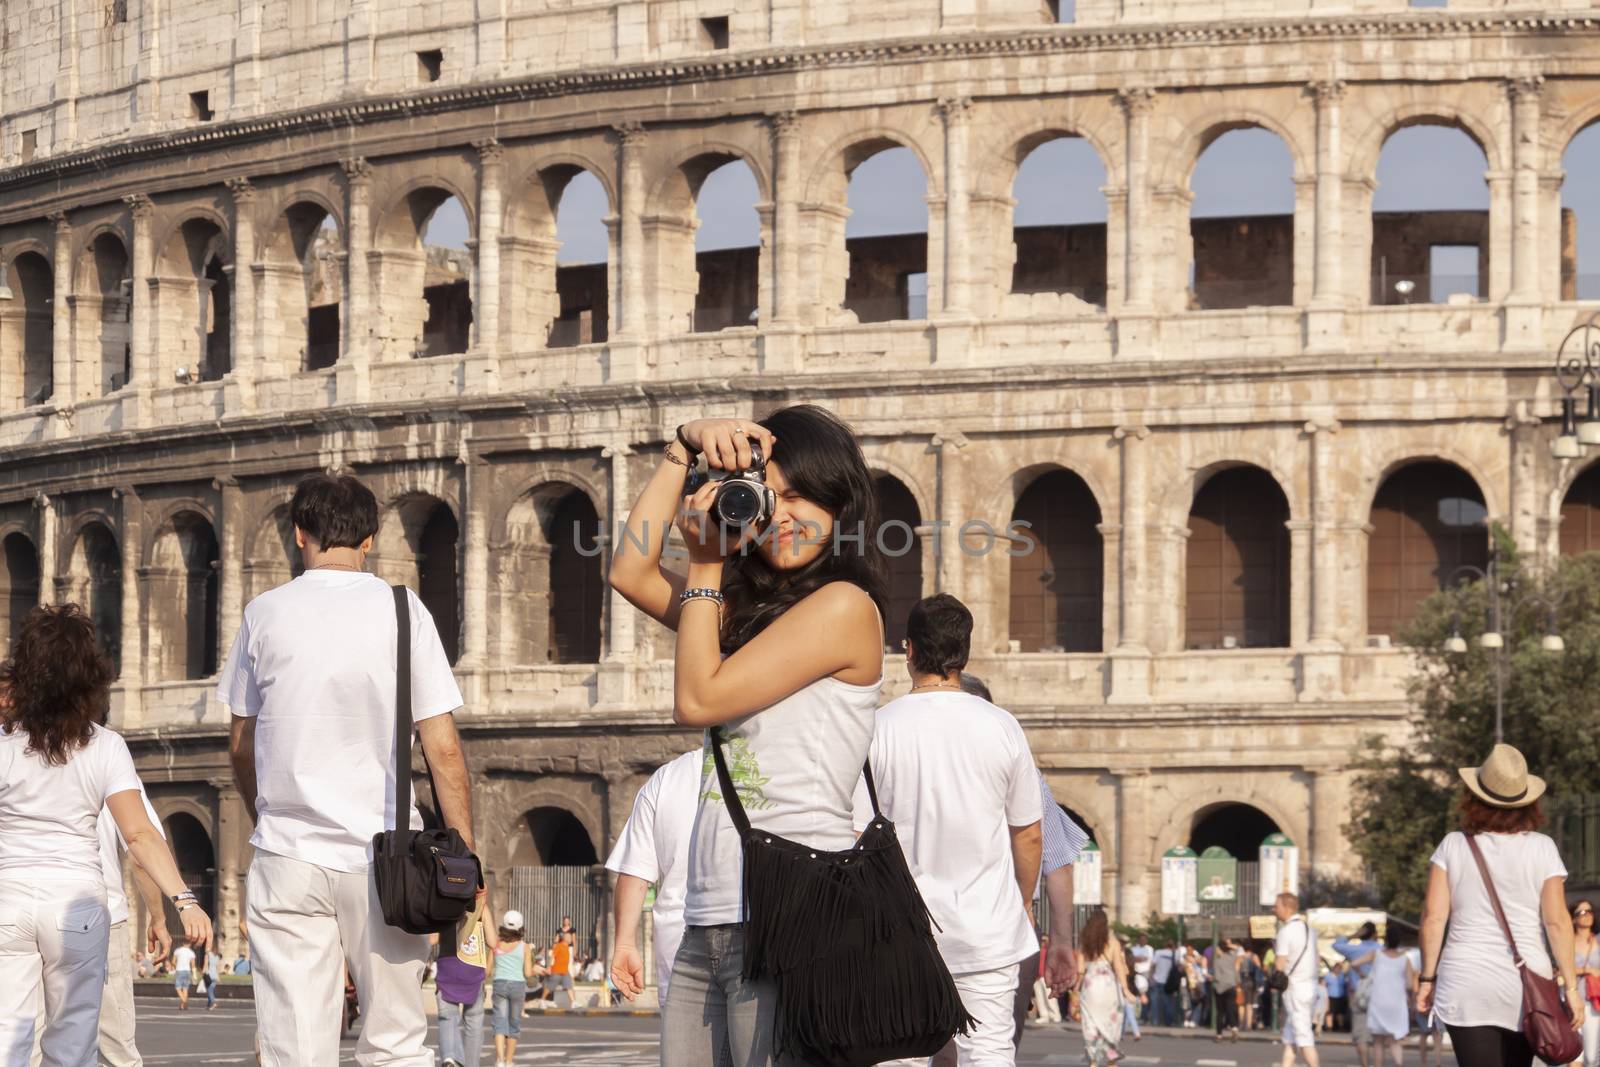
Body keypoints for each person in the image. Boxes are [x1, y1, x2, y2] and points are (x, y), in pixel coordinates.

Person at [607, 406, 888, 1067]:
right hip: (711, 914)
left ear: (840, 501)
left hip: (793, 912)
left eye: (801, 496)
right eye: (768, 495)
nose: (783, 515)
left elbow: (698, 698)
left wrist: (706, 564)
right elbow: (629, 569)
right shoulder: (744, 612)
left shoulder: (846, 608)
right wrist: (682, 451)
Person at [219, 473, 479, 1067]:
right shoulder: (402, 609)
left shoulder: (263, 614)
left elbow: (240, 744)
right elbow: (442, 751)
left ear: (298, 533)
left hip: (287, 853)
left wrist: (267, 813)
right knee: (395, 1043)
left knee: (294, 1046)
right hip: (385, 860)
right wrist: (462, 850)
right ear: (369, 540)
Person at [0, 604, 213, 1065]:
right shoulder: (104, 746)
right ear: (89, 676)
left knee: (10, 1040)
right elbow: (138, 836)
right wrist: (184, 899)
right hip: (76, 904)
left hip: (9, 899)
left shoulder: (5, 744)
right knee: (73, 1043)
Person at [848, 595, 1044, 1067]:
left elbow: (853, 837)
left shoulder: (875, 729)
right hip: (986, 928)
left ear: (907, 649)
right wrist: (1020, 903)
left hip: (899, 931)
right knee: (990, 1054)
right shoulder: (1003, 727)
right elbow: (1029, 834)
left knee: (900, 1054)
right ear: (965, 654)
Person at [1416, 744, 1581, 1067]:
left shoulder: (1453, 845)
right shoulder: (1542, 848)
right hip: (1526, 985)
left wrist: (1426, 979)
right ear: (1528, 802)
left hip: (1466, 980)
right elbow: (1558, 922)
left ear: (1474, 798)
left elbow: (1434, 918)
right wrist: (1572, 989)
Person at [956, 671, 1085, 1058]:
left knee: (928, 1047)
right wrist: (1062, 940)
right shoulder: (1019, 767)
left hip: (919, 926)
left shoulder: (900, 746)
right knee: (995, 1048)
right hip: (1004, 927)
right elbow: (1056, 861)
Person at [607, 748, 701, 1011]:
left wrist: (625, 942)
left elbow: (634, 870)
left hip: (679, 938)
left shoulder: (668, 777)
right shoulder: (779, 766)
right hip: (754, 933)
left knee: (685, 1051)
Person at [432, 899, 495, 1067]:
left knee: (448, 1018)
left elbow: (432, 939)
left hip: (448, 969)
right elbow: (493, 942)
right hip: (473, 971)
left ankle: (451, 1058)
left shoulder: (441, 903)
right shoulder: (481, 906)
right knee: (473, 1023)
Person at [1348, 925, 1414, 1067]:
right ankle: (1399, 1064)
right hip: (1397, 1003)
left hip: (1378, 1002)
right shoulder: (1405, 959)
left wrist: (1361, 974)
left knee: (1378, 1042)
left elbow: (1354, 963)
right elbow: (1409, 985)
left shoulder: (1376, 953)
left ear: (1386, 939)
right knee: (1395, 1041)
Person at [1075, 908, 1128, 1067]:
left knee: (1091, 1023)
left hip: (1090, 986)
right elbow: (1119, 968)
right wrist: (1126, 989)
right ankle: (1111, 1059)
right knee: (1111, 1022)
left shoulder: (1084, 943)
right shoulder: (1113, 943)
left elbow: (1080, 970)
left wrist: (1076, 989)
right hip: (1108, 986)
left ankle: (1093, 1060)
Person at [1274, 892, 1320, 1067]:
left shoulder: (1285, 932)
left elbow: (1279, 965)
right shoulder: (1310, 930)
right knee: (1290, 1038)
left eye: (1277, 906)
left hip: (1295, 989)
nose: (1274, 910)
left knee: (1304, 1039)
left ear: (1287, 907)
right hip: (1311, 986)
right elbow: (1316, 958)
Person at [491, 910, 538, 1067]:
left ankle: (499, 1060)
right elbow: (527, 973)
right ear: (520, 927)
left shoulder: (496, 943)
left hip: (499, 984)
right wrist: (536, 967)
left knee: (499, 1022)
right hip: (517, 985)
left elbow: (488, 970)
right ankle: (509, 1061)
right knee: (514, 1024)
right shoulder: (524, 947)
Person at [1335, 921, 1381, 1067]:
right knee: (1378, 1036)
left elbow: (1336, 944)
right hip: (1378, 994)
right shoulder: (1380, 949)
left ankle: (1365, 1065)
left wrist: (1352, 935)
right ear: (1375, 934)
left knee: (1361, 1035)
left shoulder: (1353, 949)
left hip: (1358, 994)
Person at [1575, 900, 1600, 1067]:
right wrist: (1587, 970)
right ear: (1572, 918)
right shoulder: (1566, 941)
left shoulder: (1598, 940)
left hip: (1593, 1003)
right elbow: (1558, 971)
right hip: (1569, 1002)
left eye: (1589, 911)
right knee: (1574, 1057)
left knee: (1591, 1058)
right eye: (1582, 912)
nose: (1587, 915)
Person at [1213, 937, 1241, 1041]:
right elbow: (1239, 950)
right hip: (1232, 985)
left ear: (1220, 949)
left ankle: (1219, 1034)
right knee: (1231, 1009)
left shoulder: (1217, 961)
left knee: (1220, 1012)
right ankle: (1234, 1027)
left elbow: (1217, 976)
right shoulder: (1232, 957)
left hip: (1220, 988)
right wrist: (1229, 946)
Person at [1150, 940, 1180, 1027]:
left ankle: (1155, 1021)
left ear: (1165, 945)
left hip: (1157, 979)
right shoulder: (1175, 954)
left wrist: (1151, 977)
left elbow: (1153, 965)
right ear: (1173, 946)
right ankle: (1168, 1022)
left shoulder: (1158, 952)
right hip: (1168, 982)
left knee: (1155, 1002)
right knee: (1168, 1003)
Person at [1121, 945, 1145, 1041]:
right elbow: (1134, 984)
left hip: (1126, 993)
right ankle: (1121, 1034)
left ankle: (1136, 1032)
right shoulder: (1132, 969)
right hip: (1133, 993)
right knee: (1126, 1015)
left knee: (1129, 1014)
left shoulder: (1123, 968)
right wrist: (1140, 994)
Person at [173, 939, 197, 1010]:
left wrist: (176, 966)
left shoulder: (178, 951)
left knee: (178, 988)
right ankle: (183, 1005)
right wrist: (194, 975)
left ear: (182, 943)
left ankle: (184, 1001)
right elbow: (193, 965)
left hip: (179, 970)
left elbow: (173, 961)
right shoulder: (191, 952)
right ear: (190, 944)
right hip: (187, 971)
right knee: (185, 988)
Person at [204, 942, 221, 1011]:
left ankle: (213, 1003)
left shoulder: (210, 954)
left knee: (209, 991)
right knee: (211, 990)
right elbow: (217, 968)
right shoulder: (217, 958)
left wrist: (208, 948)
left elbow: (206, 951)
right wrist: (218, 977)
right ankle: (208, 1005)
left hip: (209, 975)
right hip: (215, 976)